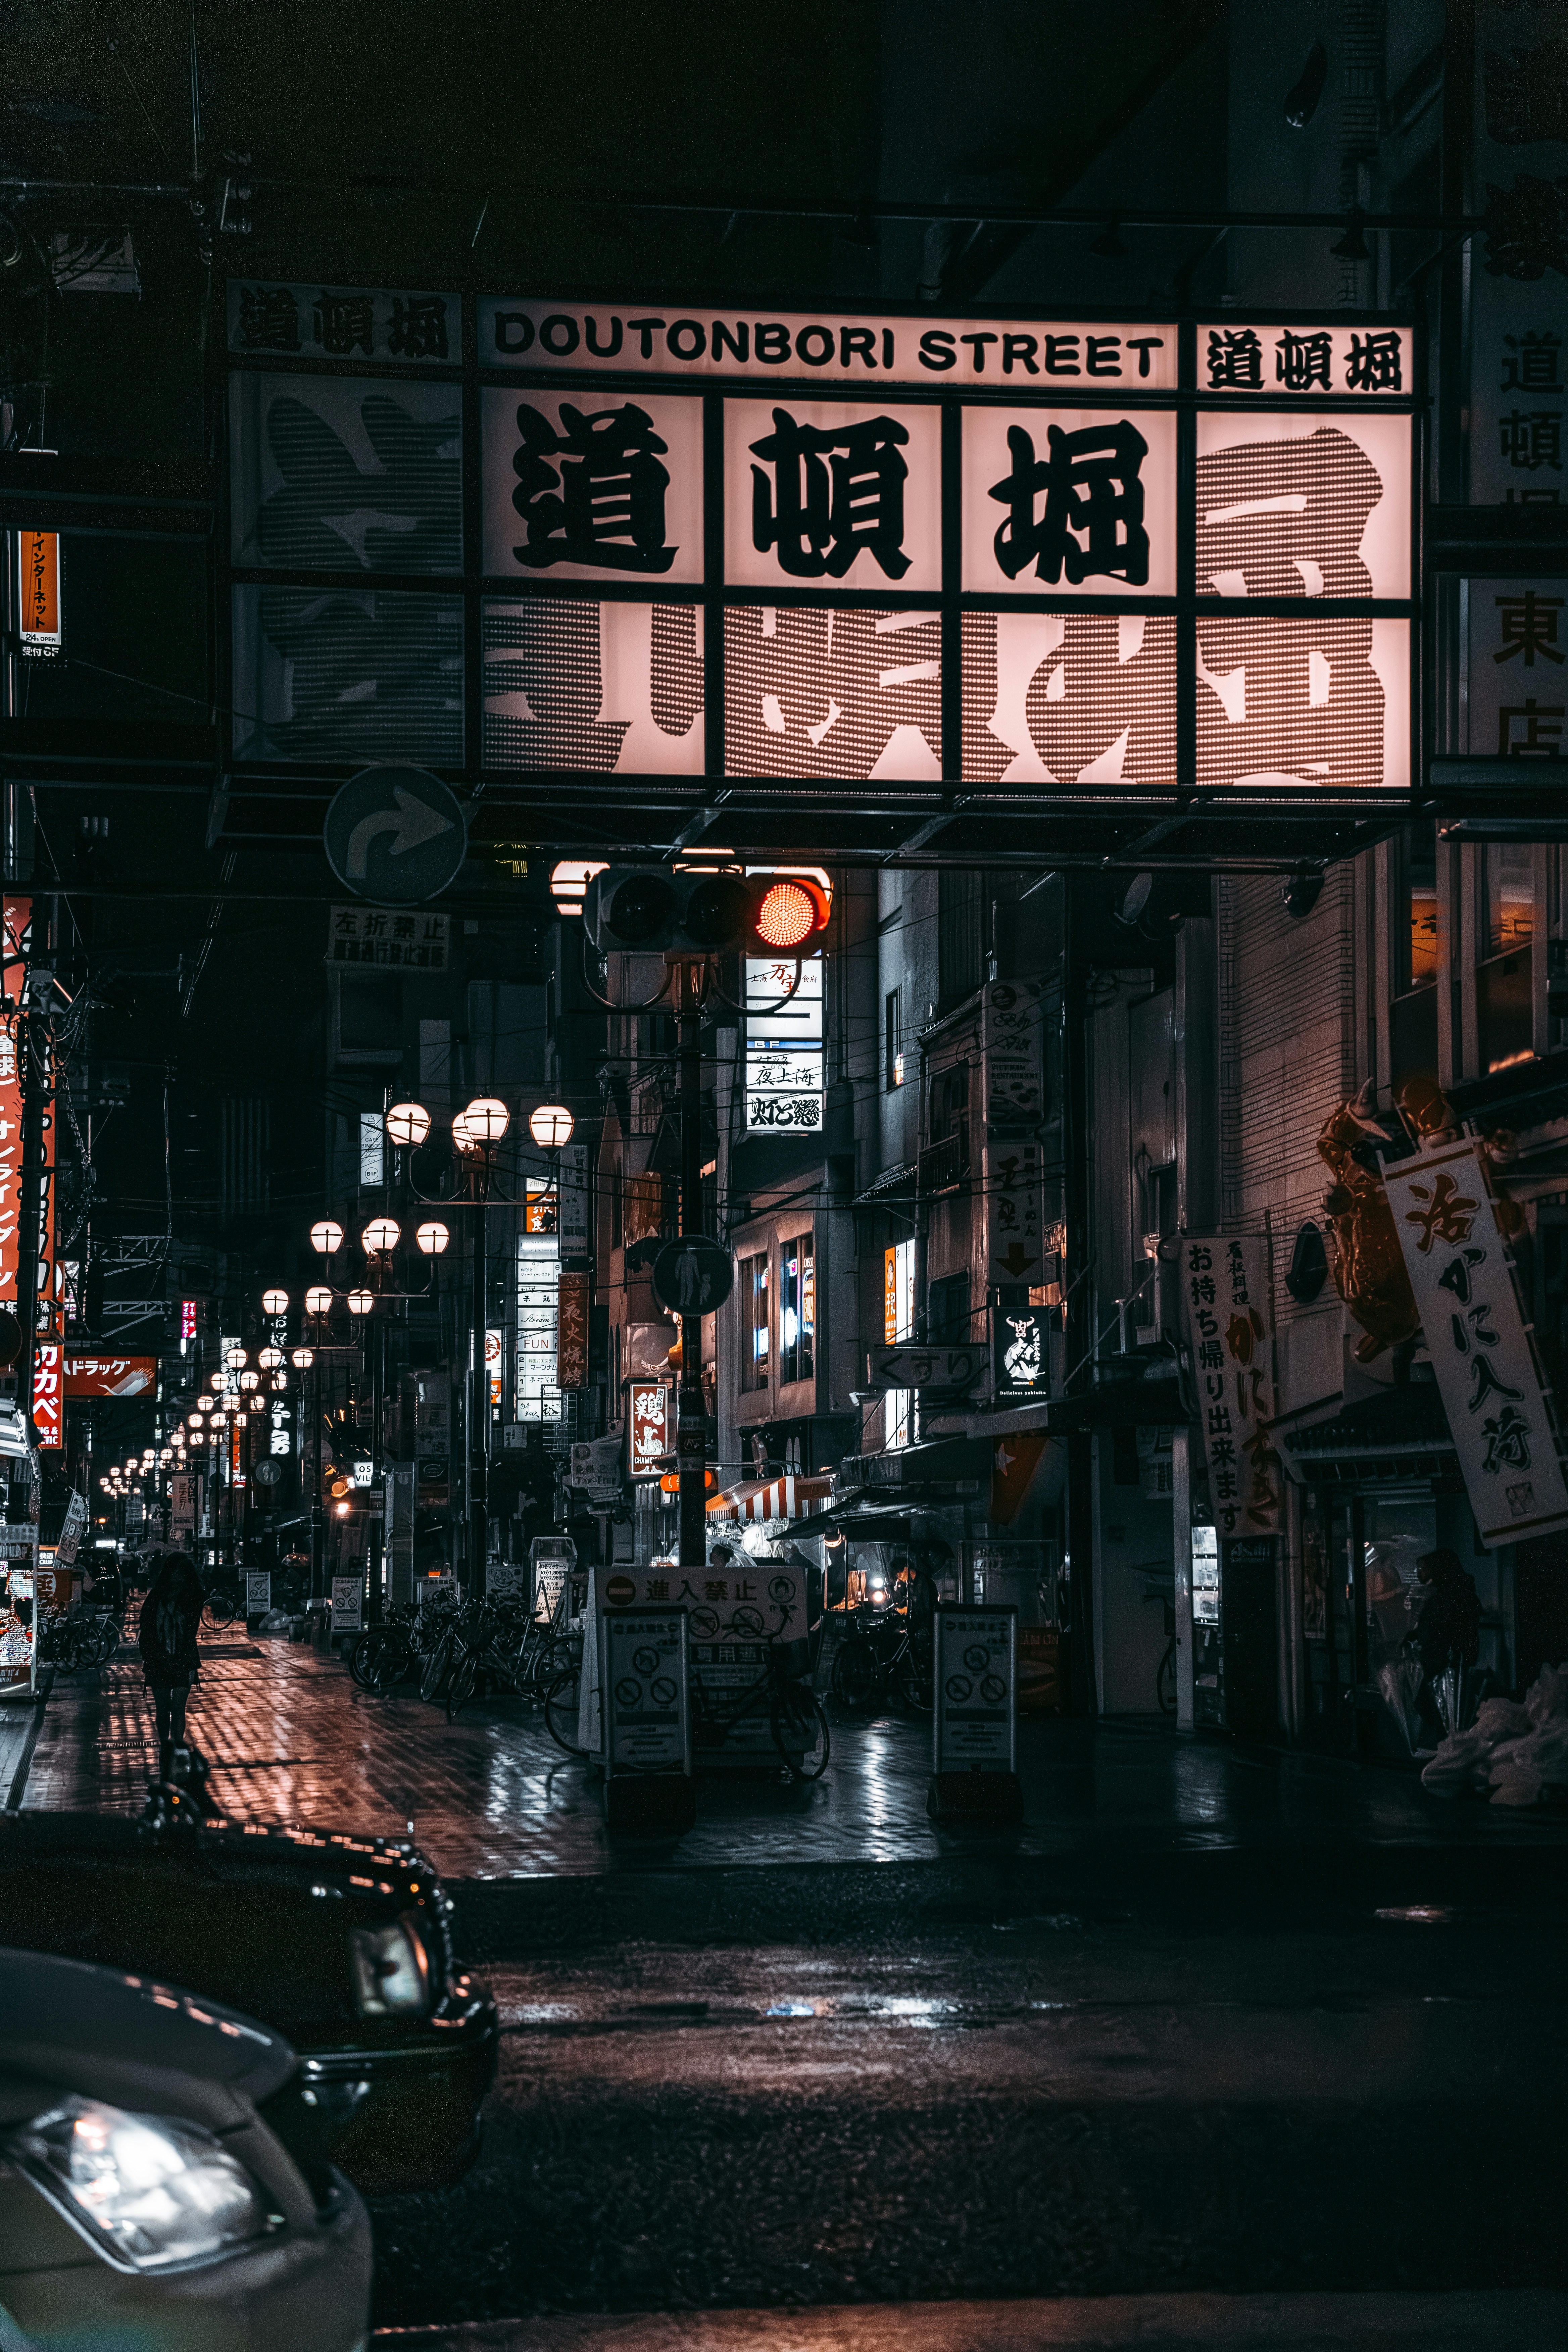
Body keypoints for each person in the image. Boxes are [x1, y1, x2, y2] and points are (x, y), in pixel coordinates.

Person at [138, 1552, 204, 1780]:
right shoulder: (160, 1598)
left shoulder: (185, 1597)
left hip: (178, 1658)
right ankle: (168, 1747)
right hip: (164, 1658)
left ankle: (173, 1747)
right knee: (166, 1708)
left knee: (174, 1708)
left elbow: (190, 1628)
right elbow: (146, 1630)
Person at [1411, 1546, 1481, 1743]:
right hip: (1449, 1662)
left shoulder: (1446, 1597)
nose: (1419, 1575)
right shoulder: (1459, 1592)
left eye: (1423, 1570)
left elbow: (1438, 1629)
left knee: (1439, 1711)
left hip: (1445, 1663)